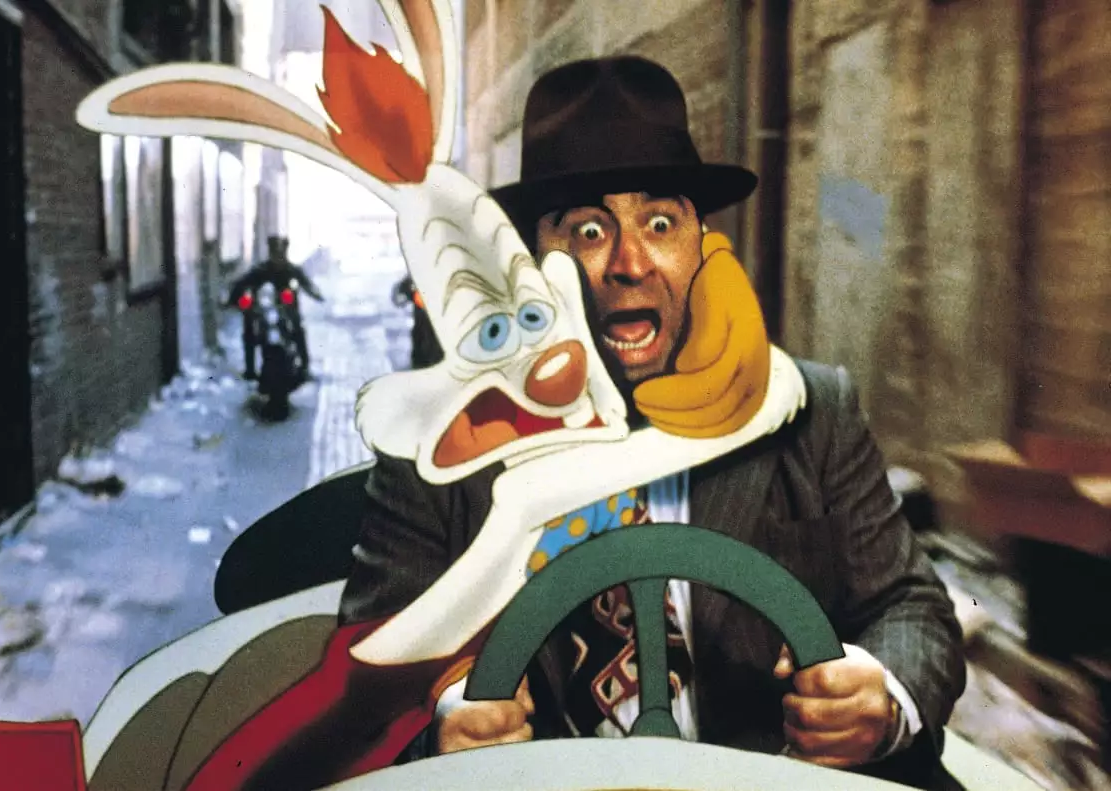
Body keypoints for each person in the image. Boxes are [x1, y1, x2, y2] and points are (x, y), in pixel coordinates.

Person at [337, 57, 965, 789]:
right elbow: (362, 686)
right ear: (533, 264)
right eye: (588, 230)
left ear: (699, 243)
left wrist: (881, 697)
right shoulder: (443, 454)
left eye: (660, 223)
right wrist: (445, 724)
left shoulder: (811, 411)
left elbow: (912, 608)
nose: (630, 263)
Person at [227, 235, 324, 381]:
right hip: (263, 311)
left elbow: (306, 283)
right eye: (275, 253)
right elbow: (242, 283)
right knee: (249, 329)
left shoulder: (292, 270)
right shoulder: (261, 270)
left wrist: (315, 293)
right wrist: (233, 299)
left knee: (298, 328)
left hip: (286, 311)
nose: (278, 258)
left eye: (280, 253)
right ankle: (250, 369)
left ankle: (304, 366)